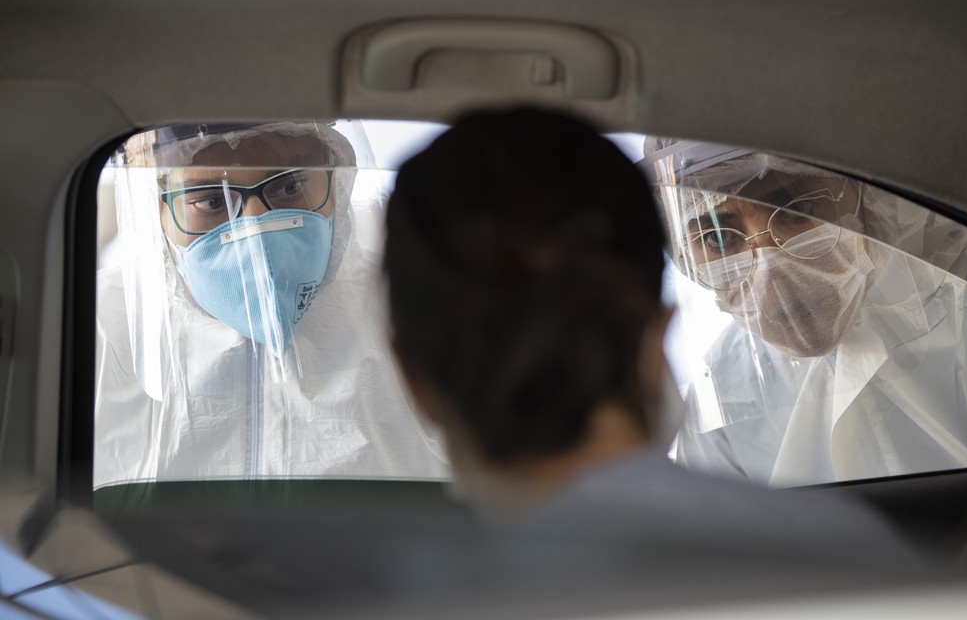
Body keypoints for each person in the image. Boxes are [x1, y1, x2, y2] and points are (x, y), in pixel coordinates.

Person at [381, 106, 914, 563]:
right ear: (655, 345)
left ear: (410, 377)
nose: (767, 261)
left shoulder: (371, 589)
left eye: (799, 210)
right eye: (718, 234)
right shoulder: (849, 554)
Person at [94, 121, 447, 488]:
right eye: (212, 201)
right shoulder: (98, 330)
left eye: (289, 187)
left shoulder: (414, 313)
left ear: (336, 183)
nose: (256, 227)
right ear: (156, 211)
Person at [640, 138, 967, 486]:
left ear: (867, 197)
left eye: (800, 208)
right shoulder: (723, 392)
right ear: (686, 254)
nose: (770, 273)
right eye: (717, 238)